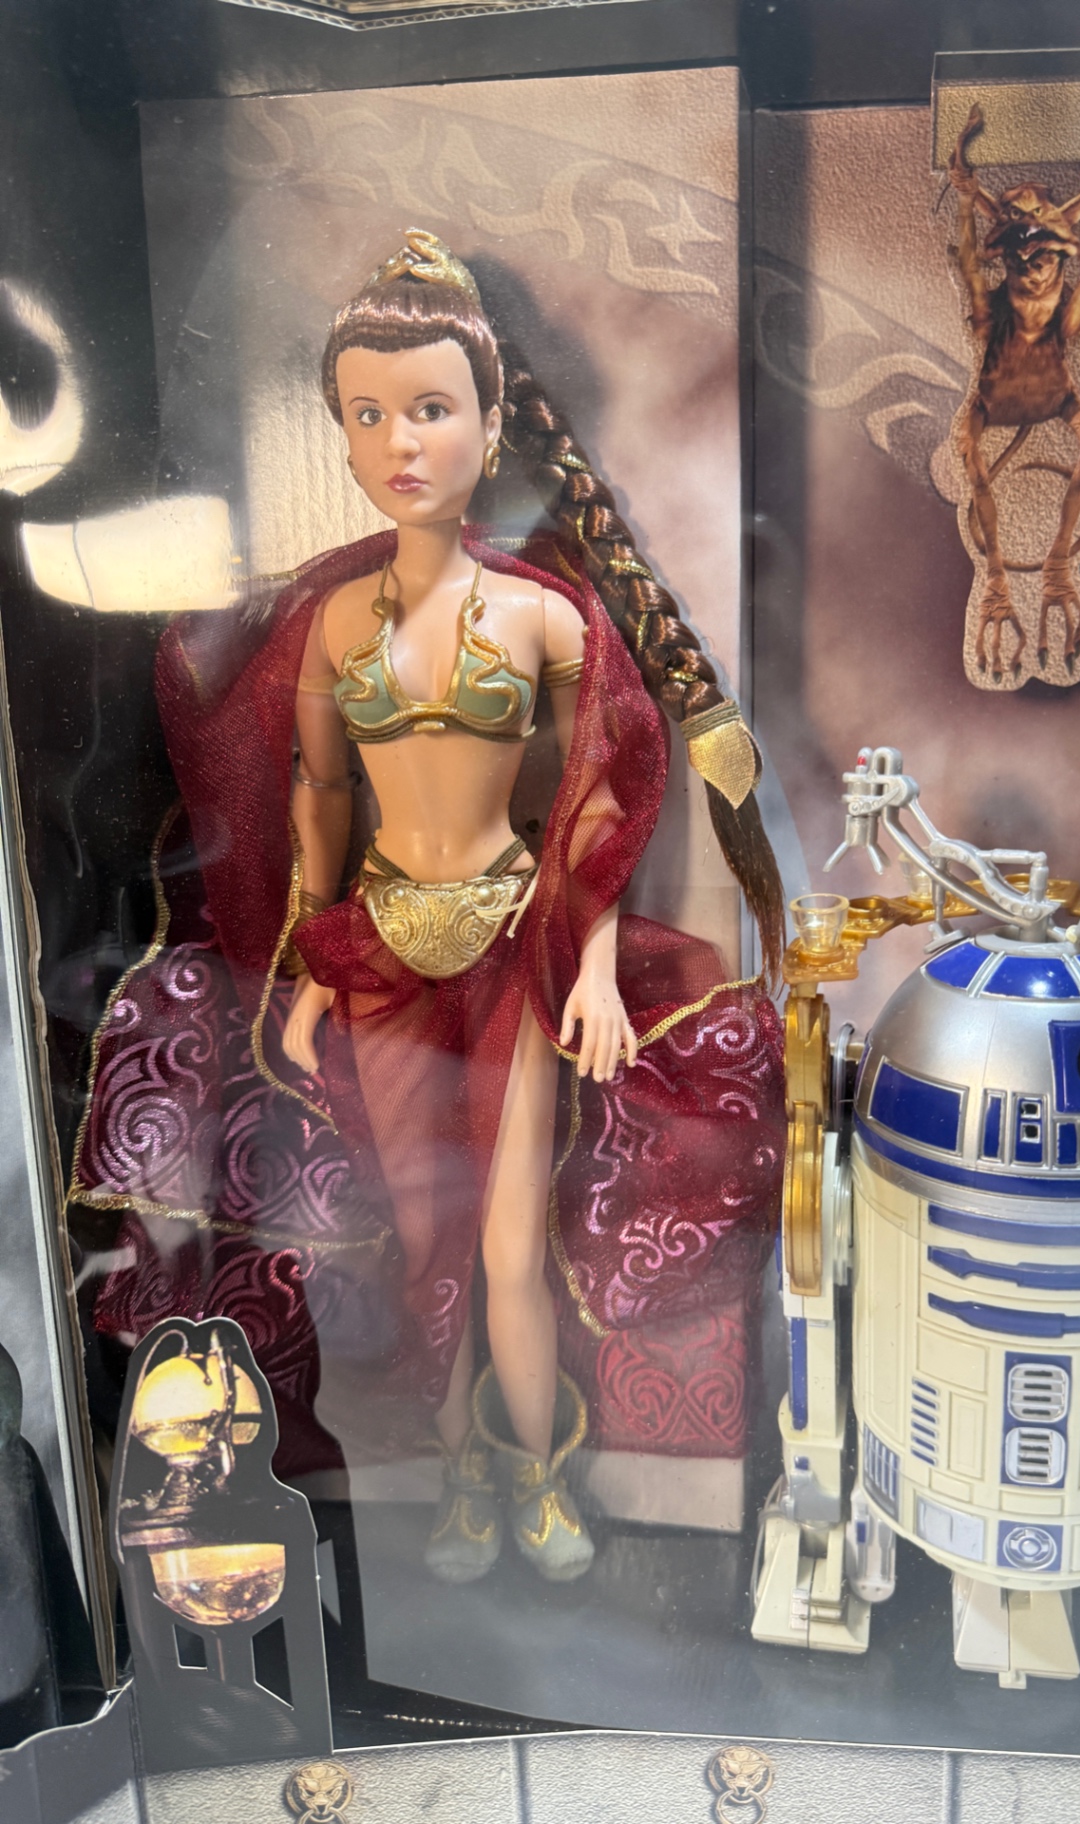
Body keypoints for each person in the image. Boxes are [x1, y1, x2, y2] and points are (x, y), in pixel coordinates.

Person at [72, 231, 785, 1586]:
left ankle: (539, 1468)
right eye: (369, 414)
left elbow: (598, 799)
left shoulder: (544, 616)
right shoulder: (333, 625)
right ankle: (463, 1470)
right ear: (342, 431)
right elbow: (317, 806)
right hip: (382, 954)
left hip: (514, 955)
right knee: (423, 1243)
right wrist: (305, 974)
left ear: (492, 424)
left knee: (511, 1245)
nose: (402, 443)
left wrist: (589, 968)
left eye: (432, 409)